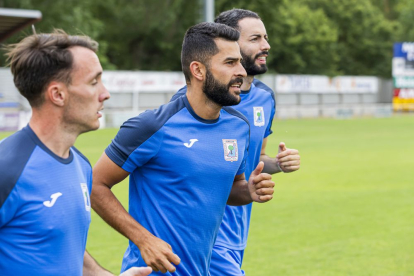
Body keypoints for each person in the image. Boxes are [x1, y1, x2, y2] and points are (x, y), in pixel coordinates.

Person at [91, 22, 275, 276]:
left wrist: (249, 190)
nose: (242, 71)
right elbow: (94, 184)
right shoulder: (152, 125)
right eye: (230, 63)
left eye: (241, 63)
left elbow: (233, 189)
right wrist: (143, 239)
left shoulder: (238, 127)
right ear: (198, 70)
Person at [0, 30, 152, 276]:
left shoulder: (81, 165)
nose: (105, 93)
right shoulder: (7, 169)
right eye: (94, 82)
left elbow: (63, 248)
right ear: (58, 94)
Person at [171, 9, 301, 275]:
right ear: (230, 44)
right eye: (255, 39)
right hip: (203, 232)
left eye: (265, 37)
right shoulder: (190, 101)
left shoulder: (265, 98)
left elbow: (256, 159)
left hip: (238, 229)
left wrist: (277, 164)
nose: (266, 45)